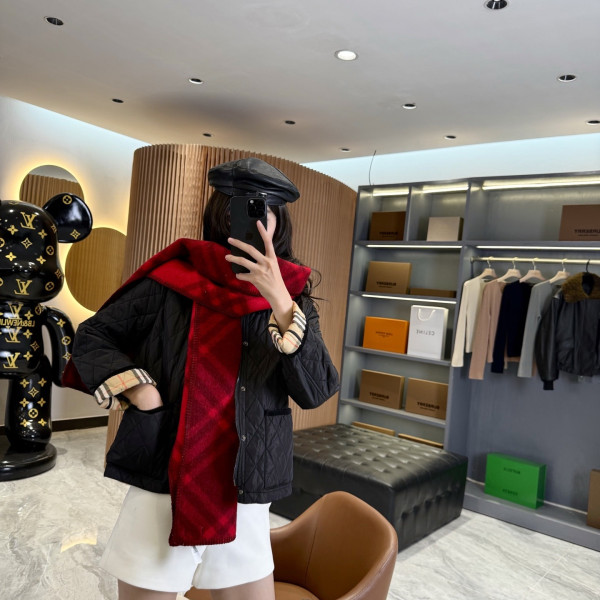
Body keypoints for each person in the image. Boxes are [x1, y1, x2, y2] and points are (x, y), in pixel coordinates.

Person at [67, 157, 340, 600]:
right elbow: (93, 336)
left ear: (279, 221)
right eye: (241, 207)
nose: (254, 220)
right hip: (165, 480)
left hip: (245, 485)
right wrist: (140, 389)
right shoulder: (171, 280)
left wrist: (280, 302)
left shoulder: (293, 300)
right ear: (220, 214)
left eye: (263, 209)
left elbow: (316, 390)